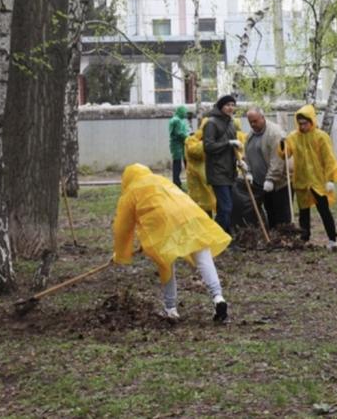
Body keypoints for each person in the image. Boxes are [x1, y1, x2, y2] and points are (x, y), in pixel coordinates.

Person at [112, 164, 230, 322]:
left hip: (163, 227)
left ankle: (171, 309)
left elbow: (123, 228)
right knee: (202, 255)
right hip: (189, 216)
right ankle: (218, 297)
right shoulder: (160, 180)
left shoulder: (131, 192)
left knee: (165, 263)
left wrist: (120, 255)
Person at [280, 104, 337, 251]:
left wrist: (330, 179)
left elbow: (329, 159)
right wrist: (282, 145)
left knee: (324, 210)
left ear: (312, 121)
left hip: (318, 181)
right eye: (300, 123)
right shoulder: (293, 137)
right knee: (303, 212)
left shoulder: (321, 136)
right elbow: (285, 155)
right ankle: (304, 238)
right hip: (302, 180)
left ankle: (333, 239)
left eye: (305, 123)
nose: (302, 126)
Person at [245, 107, 291, 229]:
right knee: (269, 210)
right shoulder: (251, 134)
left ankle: (285, 236)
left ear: (263, 117)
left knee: (281, 212)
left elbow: (277, 159)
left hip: (278, 183)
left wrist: (271, 179)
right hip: (260, 182)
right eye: (250, 122)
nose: (253, 124)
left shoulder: (275, 133)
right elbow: (249, 154)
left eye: (255, 121)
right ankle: (273, 236)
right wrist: (248, 171)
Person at [203, 95, 242, 235]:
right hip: (217, 171)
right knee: (226, 207)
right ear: (221, 106)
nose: (230, 108)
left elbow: (234, 147)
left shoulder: (231, 123)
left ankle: (224, 236)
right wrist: (228, 143)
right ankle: (215, 236)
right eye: (227, 105)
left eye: (233, 105)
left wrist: (240, 160)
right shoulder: (212, 123)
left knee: (224, 207)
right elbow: (208, 146)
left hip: (230, 170)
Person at [168, 105, 189, 188]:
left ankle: (178, 182)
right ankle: (176, 182)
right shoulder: (176, 120)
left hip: (181, 144)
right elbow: (179, 133)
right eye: (184, 112)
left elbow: (184, 131)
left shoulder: (180, 119)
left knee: (184, 163)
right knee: (178, 165)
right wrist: (189, 138)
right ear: (181, 112)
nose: (185, 114)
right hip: (178, 144)